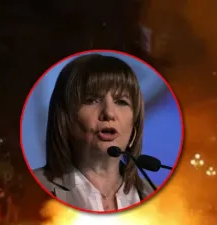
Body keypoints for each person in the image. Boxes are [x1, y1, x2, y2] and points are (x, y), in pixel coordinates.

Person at [33, 54, 153, 212]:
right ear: (65, 118)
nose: (109, 113)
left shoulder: (154, 194)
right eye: (91, 100)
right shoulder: (35, 187)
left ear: (134, 125)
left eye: (121, 102)